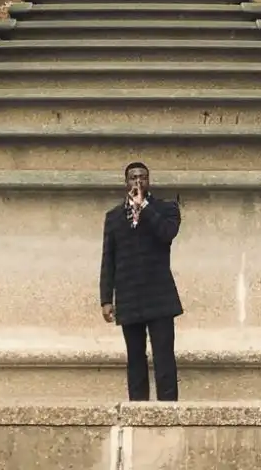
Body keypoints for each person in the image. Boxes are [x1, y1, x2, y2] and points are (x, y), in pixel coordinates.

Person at [99, 161, 182, 402]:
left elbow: (166, 234)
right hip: (129, 296)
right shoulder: (114, 217)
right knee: (135, 357)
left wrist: (144, 207)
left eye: (142, 177)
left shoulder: (166, 209)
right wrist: (106, 298)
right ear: (126, 182)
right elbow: (108, 258)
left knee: (164, 356)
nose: (138, 181)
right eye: (133, 177)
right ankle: (138, 408)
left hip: (159, 296)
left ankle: (168, 409)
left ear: (149, 180)